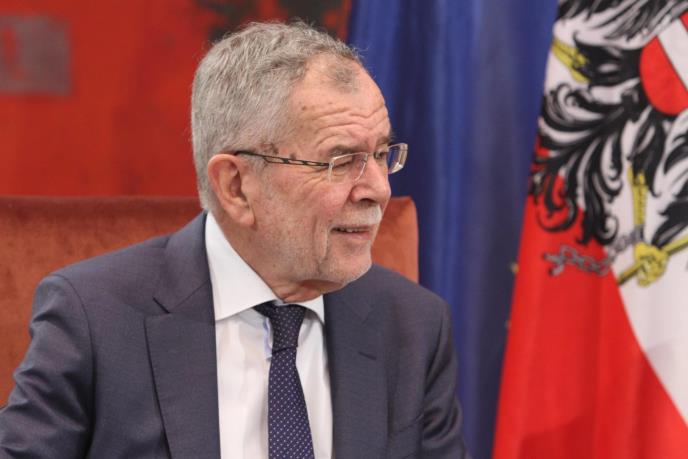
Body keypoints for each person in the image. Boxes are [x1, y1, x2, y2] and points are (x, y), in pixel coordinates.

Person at [0, 21, 469, 458]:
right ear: (236, 186)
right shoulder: (95, 319)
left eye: (382, 154)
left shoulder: (413, 327)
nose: (378, 189)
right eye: (340, 161)